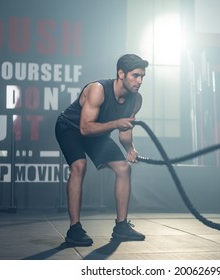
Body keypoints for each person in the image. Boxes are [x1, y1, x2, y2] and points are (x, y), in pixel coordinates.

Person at [55, 54, 149, 246]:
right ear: (121, 73)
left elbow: (124, 130)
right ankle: (74, 229)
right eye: (136, 75)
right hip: (71, 128)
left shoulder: (136, 100)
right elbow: (85, 128)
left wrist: (130, 148)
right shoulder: (98, 89)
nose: (140, 81)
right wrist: (115, 123)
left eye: (142, 77)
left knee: (124, 168)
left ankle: (121, 226)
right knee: (79, 166)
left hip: (97, 133)